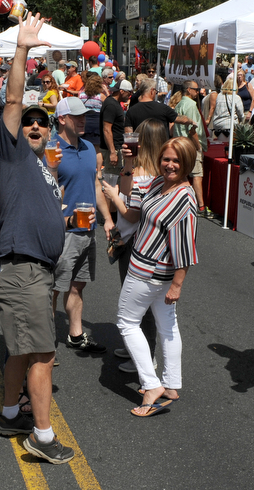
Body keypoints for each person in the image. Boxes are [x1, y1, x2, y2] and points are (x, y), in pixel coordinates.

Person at [0, 12, 75, 464]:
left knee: (22, 347)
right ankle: (41, 435)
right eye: (29, 122)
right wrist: (23, 48)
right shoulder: (13, 155)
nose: (34, 126)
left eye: (42, 122)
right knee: (42, 354)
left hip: (38, 268)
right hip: (21, 268)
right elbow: (13, 100)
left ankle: (10, 412)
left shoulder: (44, 167)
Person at [116, 136, 199, 417]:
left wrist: (177, 285)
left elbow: (186, 248)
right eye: (166, 159)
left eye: (177, 160)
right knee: (167, 325)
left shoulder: (185, 199)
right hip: (150, 270)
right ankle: (171, 384)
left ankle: (151, 384)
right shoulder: (158, 183)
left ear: (188, 163)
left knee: (127, 322)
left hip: (148, 272)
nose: (170, 165)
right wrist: (128, 164)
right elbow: (131, 200)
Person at [101, 119, 169, 373]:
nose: (133, 141)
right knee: (136, 301)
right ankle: (137, 347)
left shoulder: (151, 176)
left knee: (140, 304)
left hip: (137, 243)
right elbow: (126, 188)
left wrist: (112, 196)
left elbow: (131, 213)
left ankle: (146, 356)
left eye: (138, 138)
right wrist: (128, 163)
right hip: (133, 241)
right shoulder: (144, 170)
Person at [51, 97, 112, 354]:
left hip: (88, 229)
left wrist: (107, 218)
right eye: (77, 116)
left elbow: (96, 186)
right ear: (62, 119)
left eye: (84, 115)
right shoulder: (51, 149)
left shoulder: (88, 147)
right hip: (63, 231)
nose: (83, 120)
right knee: (52, 288)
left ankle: (75, 335)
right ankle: (43, 345)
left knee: (78, 284)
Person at [173, 80, 209, 217]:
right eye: (195, 89)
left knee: (182, 175)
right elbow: (192, 129)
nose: (198, 91)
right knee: (197, 175)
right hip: (190, 145)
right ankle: (201, 206)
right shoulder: (191, 105)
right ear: (189, 90)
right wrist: (198, 147)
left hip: (180, 144)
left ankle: (180, 202)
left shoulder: (179, 104)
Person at [100, 80, 132, 177]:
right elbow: (106, 129)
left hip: (117, 147)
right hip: (113, 149)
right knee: (113, 181)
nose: (130, 95)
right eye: (129, 92)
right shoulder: (111, 105)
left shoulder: (115, 103)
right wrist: (113, 152)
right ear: (122, 91)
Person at [79, 73, 105, 148]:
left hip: (85, 122)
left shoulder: (81, 95)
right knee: (97, 149)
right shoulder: (101, 96)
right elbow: (109, 105)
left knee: (84, 147)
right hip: (97, 123)